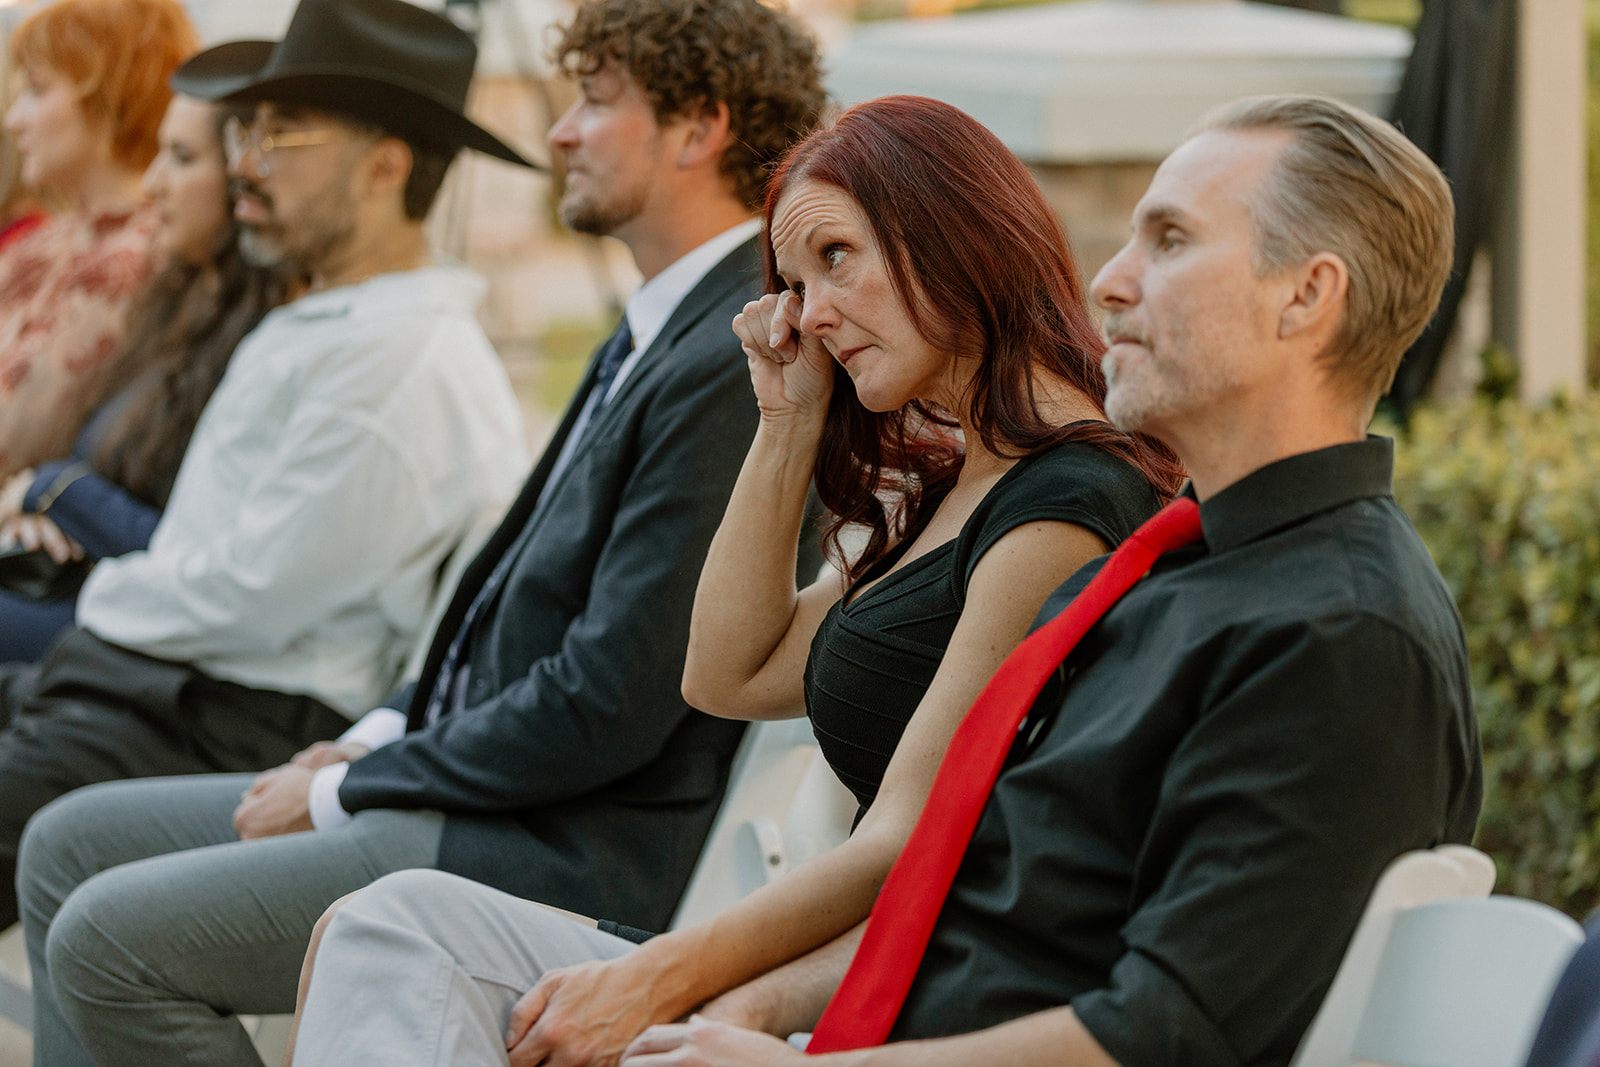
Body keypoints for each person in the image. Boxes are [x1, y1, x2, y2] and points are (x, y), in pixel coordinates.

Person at [289, 92, 1483, 1067]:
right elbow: (967, 874)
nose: (1110, 280)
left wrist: (753, 1035)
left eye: (1168, 241)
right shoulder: (1184, 573)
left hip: (873, 1038)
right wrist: (750, 1006)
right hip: (860, 1010)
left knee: (396, 936)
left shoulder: (1332, 630)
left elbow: (1163, 1030)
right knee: (397, 930)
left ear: (1305, 295)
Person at [16, 0, 825, 1063]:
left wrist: (346, 787)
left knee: (108, 938)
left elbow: (609, 699)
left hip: (558, 841)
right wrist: (366, 743)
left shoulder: (727, 355)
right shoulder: (654, 328)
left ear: (698, 127)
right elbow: (490, 616)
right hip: (476, 788)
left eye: (593, 101)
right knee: (64, 841)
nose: (560, 132)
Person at [0, 0, 534, 930]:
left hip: (220, 719)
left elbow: (251, 596)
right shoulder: (335, 321)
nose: (248, 162)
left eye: (282, 135)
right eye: (247, 134)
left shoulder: (397, 359)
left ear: (383, 168)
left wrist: (99, 590)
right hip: (155, 691)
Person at [0, 82, 300, 661]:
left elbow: (187, 553)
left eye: (182, 158)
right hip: (72, 586)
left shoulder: (259, 344)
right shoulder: (181, 306)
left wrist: (49, 490)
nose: (155, 181)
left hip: (131, 630)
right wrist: (44, 512)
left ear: (243, 177)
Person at [0, 0, 197, 477]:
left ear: (107, 96)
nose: (14, 119)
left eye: (37, 90)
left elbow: (18, 439)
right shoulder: (42, 243)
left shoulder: (146, 258)